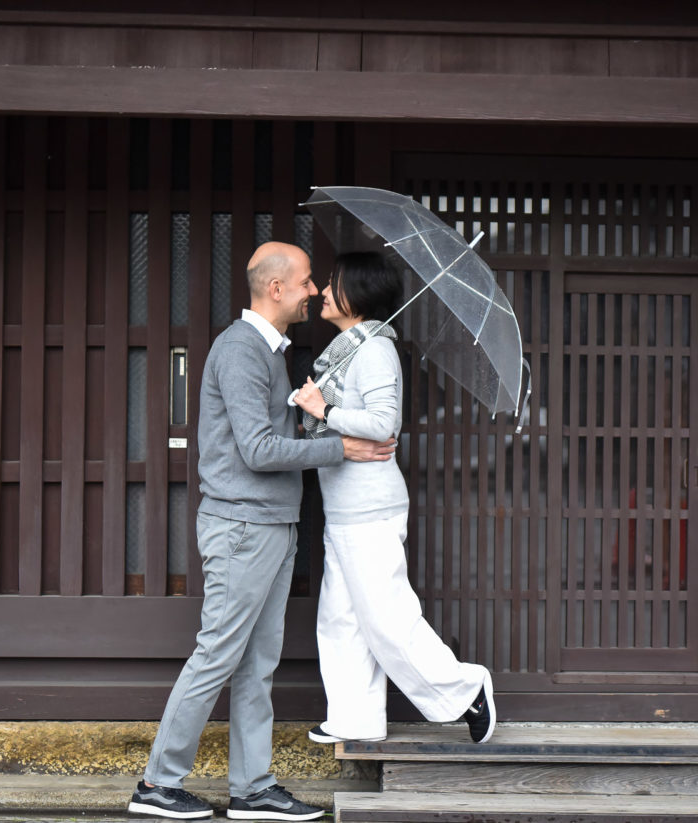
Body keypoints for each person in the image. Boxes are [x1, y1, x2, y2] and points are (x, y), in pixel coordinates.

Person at [127, 242, 396, 822]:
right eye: (304, 282)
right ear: (276, 288)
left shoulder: (269, 352)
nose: (314, 292)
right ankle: (158, 783)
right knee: (217, 655)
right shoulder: (242, 350)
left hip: (270, 525)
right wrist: (339, 447)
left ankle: (253, 788)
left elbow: (268, 436)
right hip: (242, 526)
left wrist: (312, 412)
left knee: (256, 665)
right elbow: (256, 450)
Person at [292, 251, 495, 747]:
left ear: (357, 293)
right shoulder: (345, 350)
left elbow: (385, 424)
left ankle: (466, 690)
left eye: (332, 283)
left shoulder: (375, 350)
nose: (321, 291)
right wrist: (316, 407)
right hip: (343, 507)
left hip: (370, 509)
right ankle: (355, 717)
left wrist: (326, 407)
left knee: (386, 617)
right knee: (340, 617)